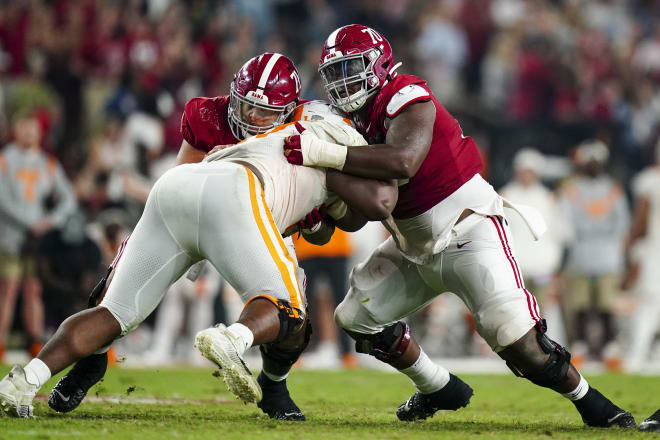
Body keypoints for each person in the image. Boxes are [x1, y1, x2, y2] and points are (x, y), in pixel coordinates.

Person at [283, 24, 635, 428]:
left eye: (351, 68)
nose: (343, 82)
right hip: (412, 246)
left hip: (468, 232)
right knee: (356, 318)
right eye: (336, 73)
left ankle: (595, 405)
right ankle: (435, 386)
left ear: (379, 64)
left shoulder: (407, 95)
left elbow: (402, 161)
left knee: (518, 339)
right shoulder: (349, 126)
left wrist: (320, 152)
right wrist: (317, 213)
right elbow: (361, 213)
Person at [0, 100, 397, 420]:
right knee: (291, 312)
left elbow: (320, 222)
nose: (255, 117)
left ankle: (24, 379)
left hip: (180, 184)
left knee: (114, 311)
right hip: (239, 195)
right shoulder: (341, 141)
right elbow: (364, 210)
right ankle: (233, 338)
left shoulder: (288, 127)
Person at [46, 52, 308, 420]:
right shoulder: (208, 115)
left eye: (262, 111)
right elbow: (180, 177)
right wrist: (216, 167)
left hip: (265, 226)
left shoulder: (304, 127)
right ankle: (91, 362)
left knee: (292, 316)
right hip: (199, 210)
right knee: (112, 289)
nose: (250, 116)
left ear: (288, 111)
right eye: (245, 105)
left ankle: (275, 385)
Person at [0, 115, 77, 361]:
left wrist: (51, 221)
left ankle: (35, 342)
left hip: (37, 239)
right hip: (10, 236)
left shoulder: (47, 163)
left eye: (33, 129)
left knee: (33, 289)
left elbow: (69, 199)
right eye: (24, 128)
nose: (29, 133)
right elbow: (2, 200)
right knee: (7, 289)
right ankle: (1, 342)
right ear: (15, 130)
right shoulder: (5, 160)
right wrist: (31, 223)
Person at [557, 140, 629, 363]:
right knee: (579, 305)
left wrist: (619, 252)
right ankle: (579, 345)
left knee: (606, 304)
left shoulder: (613, 189)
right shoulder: (572, 189)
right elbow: (564, 222)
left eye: (597, 162)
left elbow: (623, 223)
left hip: (607, 254)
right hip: (580, 254)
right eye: (591, 162)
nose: (594, 166)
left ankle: (609, 347)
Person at [623, 142, 660, 373]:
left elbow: (641, 220)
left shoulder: (649, 181)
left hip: (654, 251)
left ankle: (637, 354)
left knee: (647, 306)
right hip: (654, 249)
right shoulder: (649, 180)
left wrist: (630, 245)